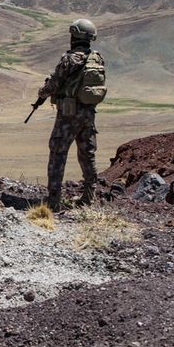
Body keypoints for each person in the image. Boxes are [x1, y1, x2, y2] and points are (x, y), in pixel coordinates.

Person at [33, 19, 104, 211]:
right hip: (88, 114)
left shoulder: (69, 59)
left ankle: (54, 201)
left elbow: (54, 84)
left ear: (75, 36)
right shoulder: (96, 58)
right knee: (87, 153)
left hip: (68, 115)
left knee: (58, 152)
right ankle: (89, 198)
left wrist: (42, 94)